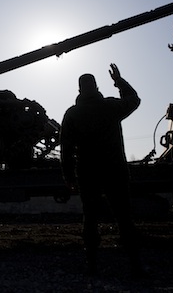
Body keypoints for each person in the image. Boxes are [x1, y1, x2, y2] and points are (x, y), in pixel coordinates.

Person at [60, 64, 142, 276]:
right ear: (96, 86)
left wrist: (68, 176)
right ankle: (135, 265)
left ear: (79, 89)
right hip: (115, 170)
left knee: (90, 216)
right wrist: (119, 80)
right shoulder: (111, 107)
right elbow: (134, 100)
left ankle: (92, 264)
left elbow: (66, 150)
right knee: (124, 217)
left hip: (88, 172)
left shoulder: (72, 114)